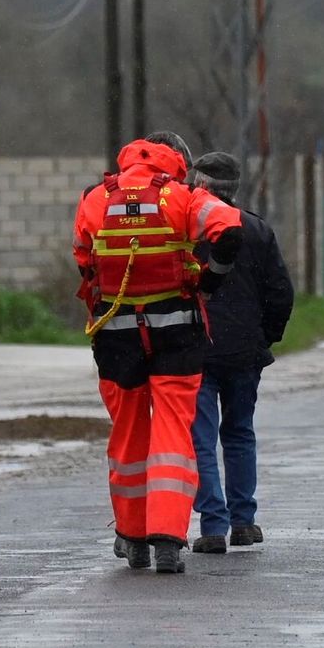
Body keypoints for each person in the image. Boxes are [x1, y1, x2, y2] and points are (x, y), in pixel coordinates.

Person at [73, 133, 243, 574]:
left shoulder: (96, 198)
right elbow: (230, 233)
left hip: (115, 335)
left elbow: (84, 259)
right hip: (176, 333)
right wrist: (209, 282)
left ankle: (132, 538)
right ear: (174, 165)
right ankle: (168, 537)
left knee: (128, 436)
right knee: (173, 435)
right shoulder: (184, 197)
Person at [186, 151, 294, 554]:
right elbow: (281, 291)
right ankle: (244, 521)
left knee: (200, 438)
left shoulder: (188, 229)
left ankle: (212, 526)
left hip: (197, 347)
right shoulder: (257, 230)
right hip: (245, 351)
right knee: (239, 432)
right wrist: (264, 336)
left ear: (201, 187)